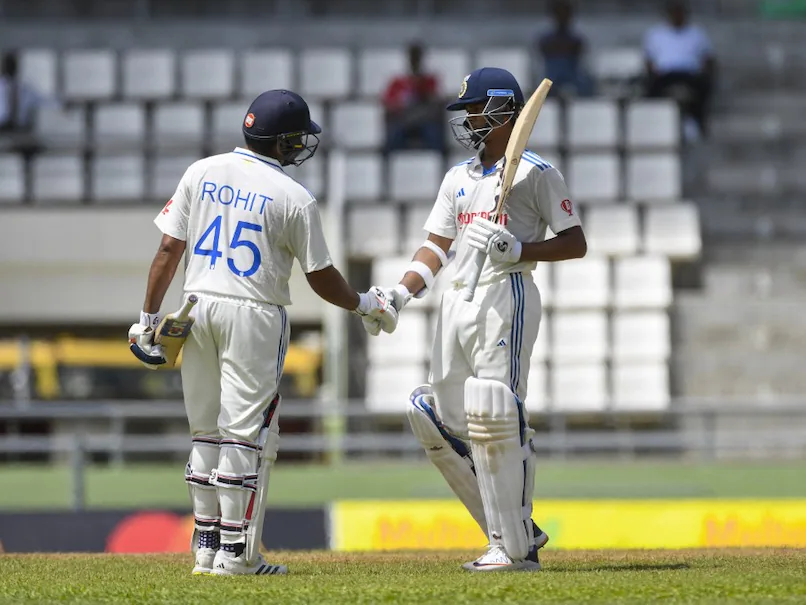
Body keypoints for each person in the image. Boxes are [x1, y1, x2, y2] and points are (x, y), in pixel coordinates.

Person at [128, 89, 397, 576]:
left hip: (196, 305)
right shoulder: (295, 197)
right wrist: (364, 304)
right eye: (298, 138)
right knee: (243, 437)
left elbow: (168, 250)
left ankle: (205, 548)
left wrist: (148, 320)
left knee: (204, 433)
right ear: (284, 142)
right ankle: (236, 555)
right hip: (254, 312)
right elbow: (320, 277)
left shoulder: (201, 171)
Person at [364, 67, 587, 572]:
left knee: (497, 413)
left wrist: (520, 249)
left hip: (504, 295)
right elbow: (436, 247)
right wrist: (400, 294)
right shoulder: (457, 178)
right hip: (456, 303)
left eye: (474, 110)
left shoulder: (537, 173)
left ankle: (513, 546)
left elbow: (576, 242)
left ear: (504, 111)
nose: (465, 120)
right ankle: (515, 528)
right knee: (432, 416)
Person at [644, 0, 716, 140]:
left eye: (680, 12)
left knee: (704, 85)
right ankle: (654, 123)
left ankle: (697, 121)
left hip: (690, 73)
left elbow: (708, 57)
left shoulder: (697, 33)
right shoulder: (655, 34)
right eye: (674, 12)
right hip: (665, 74)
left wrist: (705, 70)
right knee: (650, 87)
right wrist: (652, 71)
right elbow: (648, 59)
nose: (677, 16)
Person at [382, 42, 445, 153]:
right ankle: (388, 165)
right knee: (393, 138)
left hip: (424, 120)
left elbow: (435, 102)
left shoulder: (429, 80)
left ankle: (440, 163)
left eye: (417, 58)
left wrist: (423, 91)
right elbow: (388, 103)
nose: (415, 62)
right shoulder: (398, 82)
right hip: (403, 121)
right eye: (413, 58)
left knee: (434, 136)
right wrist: (401, 104)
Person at [536, 0, 594, 97]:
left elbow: (582, 61)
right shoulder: (545, 40)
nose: (562, 17)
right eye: (559, 13)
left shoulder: (577, 40)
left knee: (585, 86)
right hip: (552, 77)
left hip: (573, 76)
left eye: (565, 13)